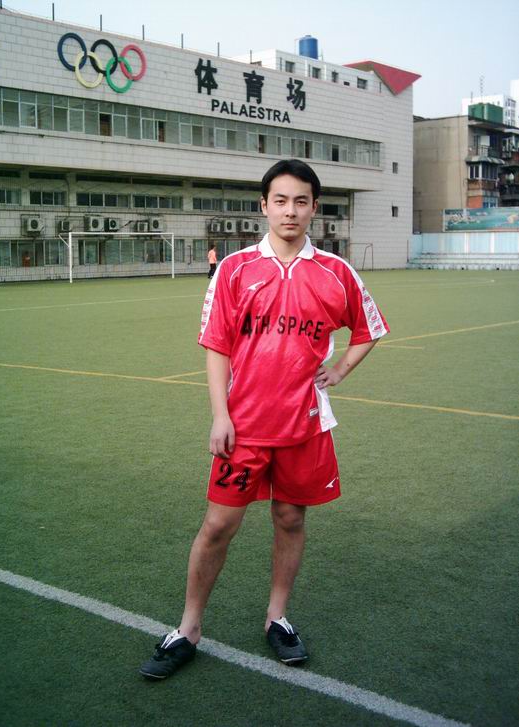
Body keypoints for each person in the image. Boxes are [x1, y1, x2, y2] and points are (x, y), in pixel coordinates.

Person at [140, 159, 389, 680]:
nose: (290, 211)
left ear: (314, 208)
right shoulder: (235, 269)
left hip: (305, 426)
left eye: (300, 201)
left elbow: (369, 328)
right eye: (280, 201)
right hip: (244, 426)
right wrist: (220, 415)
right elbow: (216, 345)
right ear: (264, 206)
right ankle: (188, 628)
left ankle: (277, 618)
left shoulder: (336, 272)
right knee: (218, 526)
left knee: (290, 518)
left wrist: (340, 369)